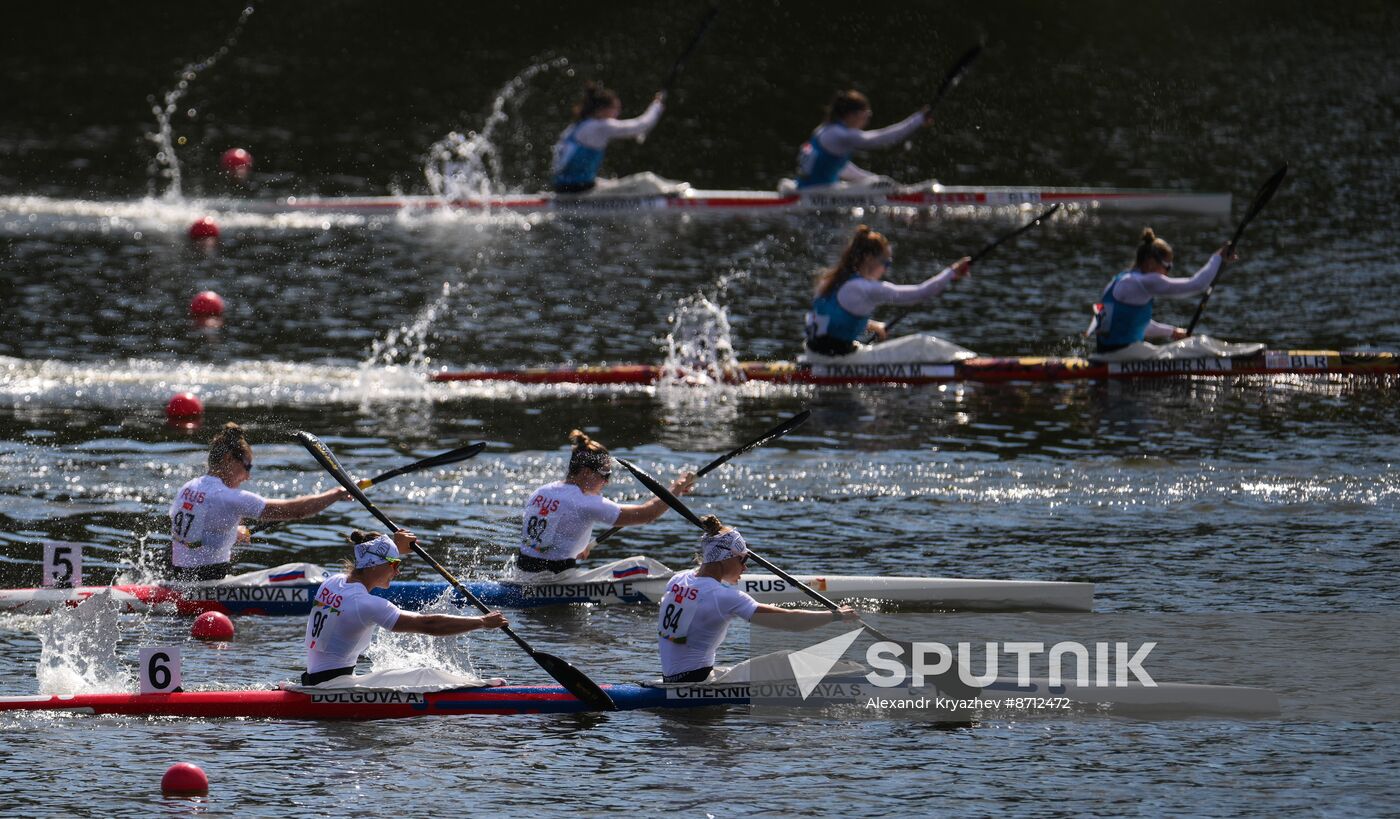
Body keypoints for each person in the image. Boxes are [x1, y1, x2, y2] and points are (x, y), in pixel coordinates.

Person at [657, 515, 859, 683]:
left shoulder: (678, 579)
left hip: (673, 678)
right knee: (783, 660)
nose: (745, 567)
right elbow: (790, 622)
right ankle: (858, 678)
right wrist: (835, 616)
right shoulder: (724, 597)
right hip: (696, 681)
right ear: (726, 558)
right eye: (743, 559)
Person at [303, 529, 508, 686]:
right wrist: (482, 622)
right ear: (374, 565)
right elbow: (428, 624)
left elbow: (372, 555)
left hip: (316, 679)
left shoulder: (333, 582)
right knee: (425, 674)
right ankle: (480, 688)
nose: (398, 572)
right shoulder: (366, 604)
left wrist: (392, 547)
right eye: (394, 565)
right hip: (334, 687)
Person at [168, 423, 349, 582]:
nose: (248, 476)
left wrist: (233, 532)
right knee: (305, 573)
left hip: (180, 576)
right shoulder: (229, 497)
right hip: (209, 580)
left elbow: (196, 529)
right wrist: (336, 493)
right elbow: (297, 511)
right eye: (247, 466)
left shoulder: (189, 487)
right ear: (229, 459)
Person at [517, 430, 693, 574]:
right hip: (554, 578)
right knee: (642, 567)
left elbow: (549, 536)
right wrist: (677, 487)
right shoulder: (586, 502)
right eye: (605, 474)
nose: (607, 481)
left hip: (523, 571)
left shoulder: (541, 491)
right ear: (586, 472)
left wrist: (578, 547)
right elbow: (648, 515)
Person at [804, 225, 971, 357]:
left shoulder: (830, 280)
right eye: (886, 263)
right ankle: (973, 364)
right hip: (839, 359)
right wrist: (952, 272)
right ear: (869, 259)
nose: (886, 269)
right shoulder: (866, 288)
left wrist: (872, 326)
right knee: (921, 344)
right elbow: (922, 292)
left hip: (814, 353)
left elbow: (835, 319)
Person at [1091, 228, 1234, 354]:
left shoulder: (1120, 280)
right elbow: (1197, 285)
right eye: (1167, 266)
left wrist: (1172, 332)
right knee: (1198, 344)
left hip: (1105, 354)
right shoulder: (1145, 281)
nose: (1167, 272)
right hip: (1122, 355)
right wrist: (1218, 257)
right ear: (1150, 262)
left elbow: (1136, 325)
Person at [795, 90, 931, 190]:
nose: (867, 120)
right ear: (854, 115)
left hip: (806, 189)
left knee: (880, 183)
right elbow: (884, 138)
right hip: (818, 195)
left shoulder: (823, 130)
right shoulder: (843, 135)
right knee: (881, 184)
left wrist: (873, 179)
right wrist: (918, 119)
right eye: (867, 115)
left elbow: (841, 168)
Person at [552, 82, 664, 193]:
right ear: (602, 110)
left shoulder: (576, 127)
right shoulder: (600, 127)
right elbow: (641, 126)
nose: (618, 113)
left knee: (611, 183)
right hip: (577, 188)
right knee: (646, 181)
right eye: (616, 109)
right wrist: (656, 106)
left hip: (562, 186)